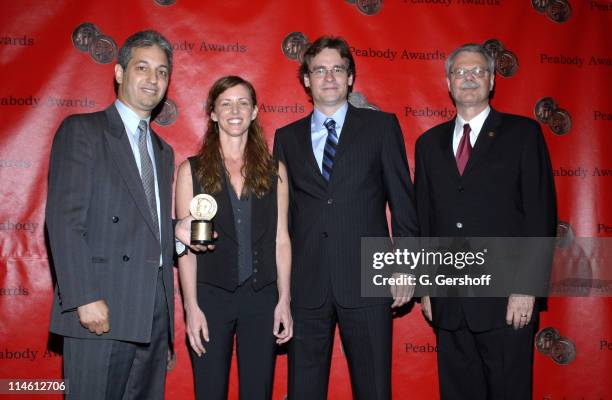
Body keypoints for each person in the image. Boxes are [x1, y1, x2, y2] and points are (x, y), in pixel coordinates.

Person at [273, 36, 419, 400]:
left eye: (338, 69)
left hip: (369, 279)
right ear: (306, 80)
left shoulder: (381, 127)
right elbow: (284, 219)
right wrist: (282, 288)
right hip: (308, 284)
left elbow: (403, 203)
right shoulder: (286, 138)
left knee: (374, 389)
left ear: (350, 77)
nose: (329, 77)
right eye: (319, 70)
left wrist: (405, 266)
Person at [415, 43, 557, 399]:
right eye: (460, 72)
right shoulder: (428, 144)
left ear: (492, 80)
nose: (468, 79)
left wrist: (527, 287)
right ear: (448, 83)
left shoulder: (523, 135)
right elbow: (425, 220)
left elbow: (541, 215)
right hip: (450, 302)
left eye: (478, 71)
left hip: (506, 301)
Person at [46, 30, 180, 399]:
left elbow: (142, 224)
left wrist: (176, 231)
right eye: (143, 68)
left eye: (162, 72)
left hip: (152, 310)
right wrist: (83, 296)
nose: (153, 79)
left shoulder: (162, 150)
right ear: (119, 73)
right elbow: (63, 219)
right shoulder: (83, 130)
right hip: (100, 305)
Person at [175, 76, 293, 400]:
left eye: (243, 103)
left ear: (254, 111)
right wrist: (191, 307)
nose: (235, 110)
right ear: (213, 113)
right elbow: (184, 247)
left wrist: (284, 300)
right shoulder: (190, 171)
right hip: (211, 298)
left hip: (262, 298)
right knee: (210, 391)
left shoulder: (275, 171)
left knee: (258, 392)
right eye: (225, 103)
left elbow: (282, 240)